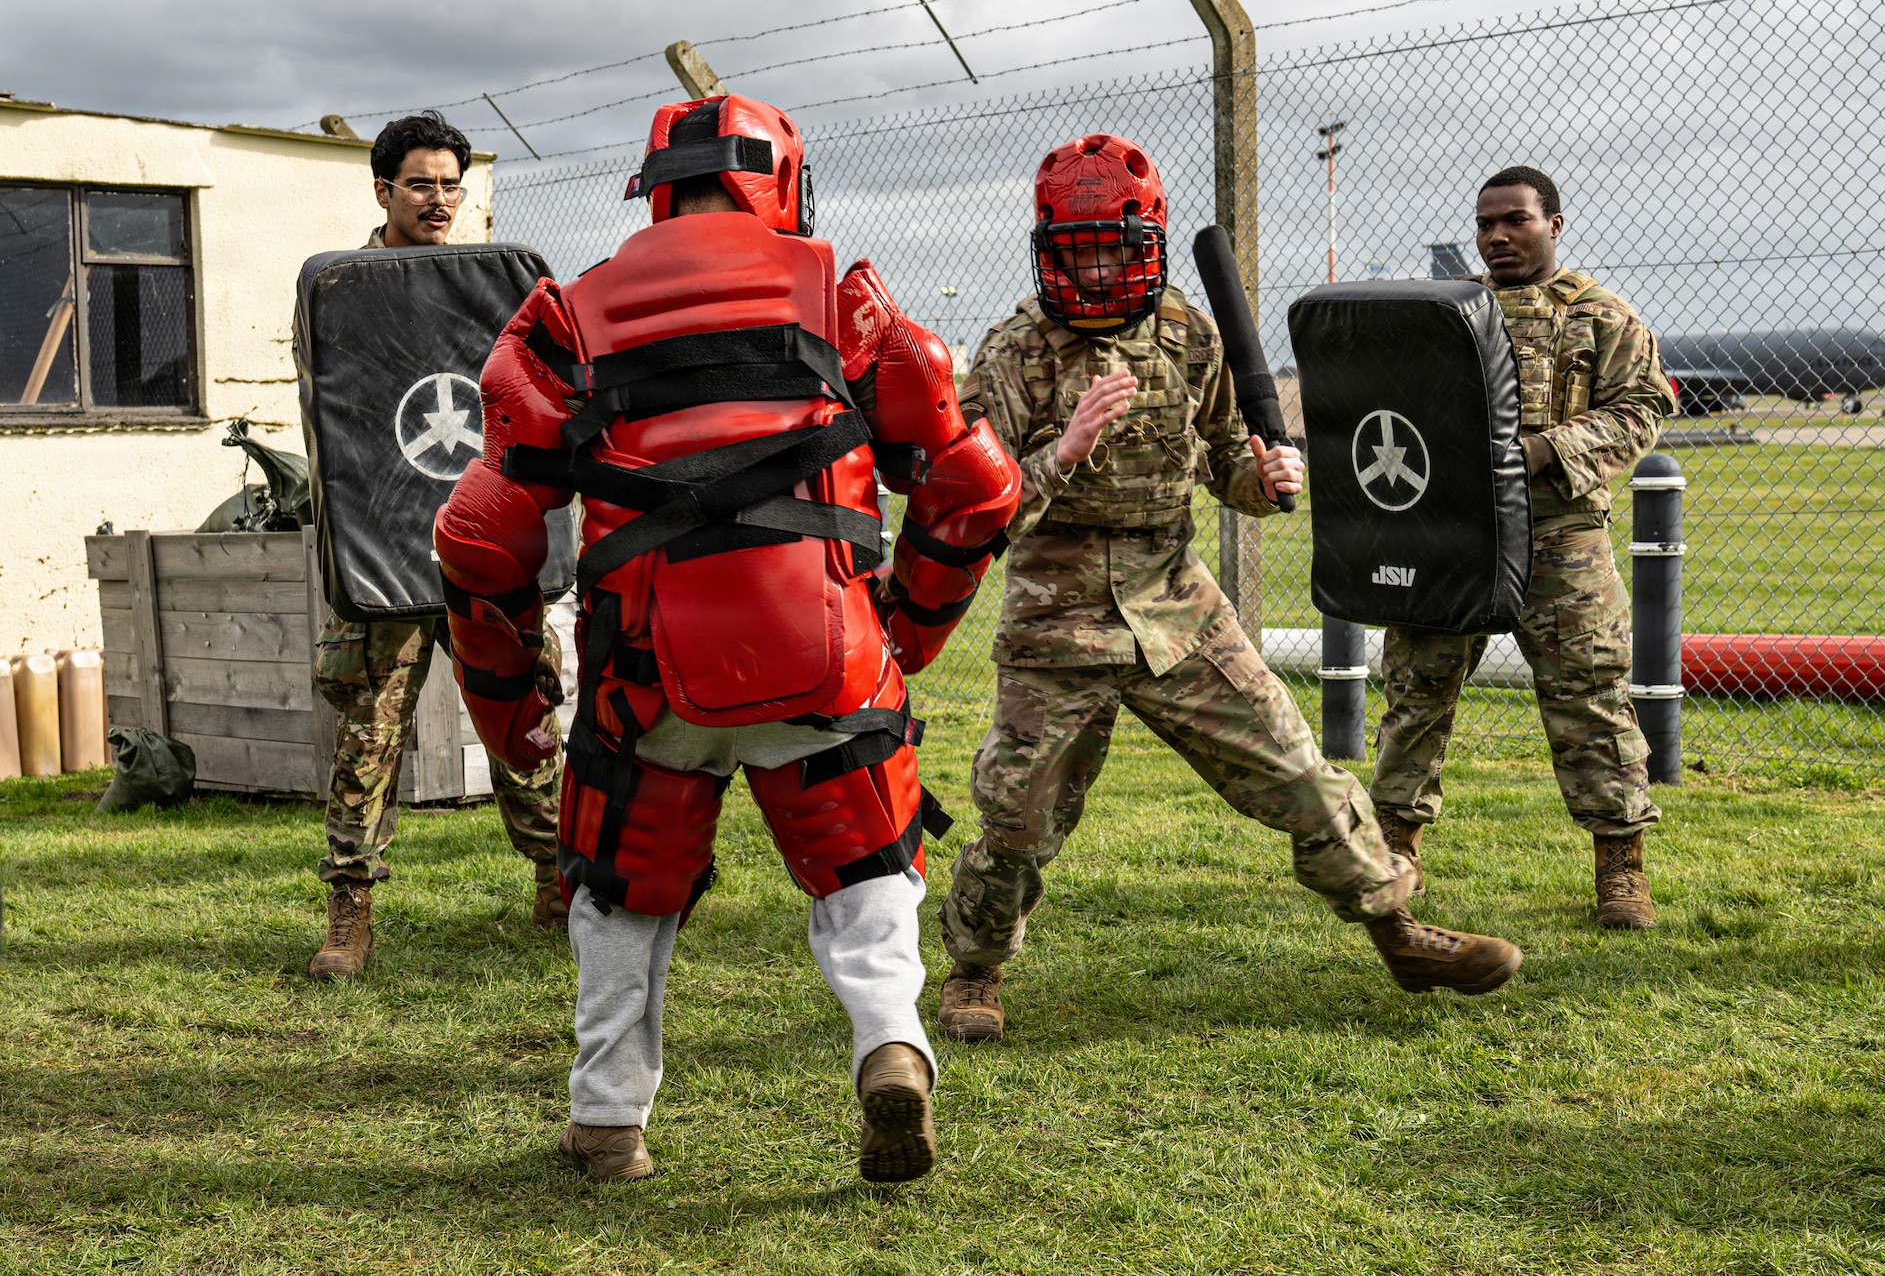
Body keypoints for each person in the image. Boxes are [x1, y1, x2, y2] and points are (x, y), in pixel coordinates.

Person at [436, 93, 1020, 1184]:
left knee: (622, 895)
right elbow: (974, 485)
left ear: (655, 187)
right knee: (865, 876)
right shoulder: (843, 296)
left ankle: (608, 1122)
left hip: (646, 680)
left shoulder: (565, 317)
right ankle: (890, 1044)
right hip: (824, 658)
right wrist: (904, 629)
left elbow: (480, 536)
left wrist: (510, 707)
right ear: (783, 180)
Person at [934, 133, 1524, 1045]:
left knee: (1298, 766)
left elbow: (1221, 464)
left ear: (1147, 245)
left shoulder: (1189, 333)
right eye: (1074, 252)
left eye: (1110, 251)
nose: (1093, 273)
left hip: (1176, 599)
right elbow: (977, 513)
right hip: (1057, 613)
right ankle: (975, 970)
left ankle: (1398, 928)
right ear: (1049, 250)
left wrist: (1264, 478)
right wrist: (1066, 449)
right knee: (1017, 814)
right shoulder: (1013, 351)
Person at [1370, 165, 1677, 929]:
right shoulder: (1448, 312)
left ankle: (1620, 865)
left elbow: (1641, 409)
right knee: (1416, 691)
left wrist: (1543, 451)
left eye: (1515, 220)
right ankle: (1393, 852)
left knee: (1591, 696)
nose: (1497, 235)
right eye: (1485, 223)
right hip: (1453, 535)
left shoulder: (1600, 315)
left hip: (1558, 532)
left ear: (1554, 224)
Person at [307, 111, 566, 983]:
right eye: (422, 183)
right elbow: (345, 424)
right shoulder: (348, 293)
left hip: (483, 545)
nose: (441, 200)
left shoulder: (496, 292)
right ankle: (351, 904)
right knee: (369, 733)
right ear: (383, 190)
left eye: (454, 184)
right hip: (389, 545)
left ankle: (556, 878)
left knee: (520, 711)